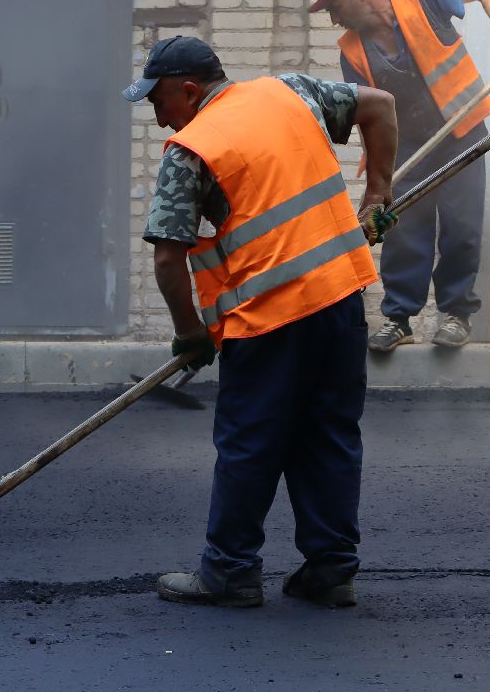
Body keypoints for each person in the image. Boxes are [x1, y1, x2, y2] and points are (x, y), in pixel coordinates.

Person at [126, 36, 398, 609]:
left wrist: (190, 332)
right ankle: (330, 571)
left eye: (159, 102)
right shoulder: (290, 92)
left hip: (268, 320)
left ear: (191, 90)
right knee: (329, 435)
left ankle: (229, 572)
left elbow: (169, 257)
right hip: (339, 300)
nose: (157, 118)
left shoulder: (191, 149)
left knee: (250, 442)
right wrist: (376, 193)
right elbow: (381, 105)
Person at [310, 0, 490, 352]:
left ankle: (456, 316)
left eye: (334, 6)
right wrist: (377, 178)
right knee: (403, 233)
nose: (333, 18)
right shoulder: (351, 49)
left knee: (461, 228)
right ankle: (399, 320)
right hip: (406, 148)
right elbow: (367, 112)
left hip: (460, 133)